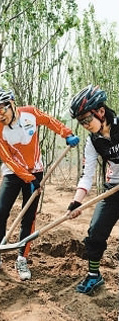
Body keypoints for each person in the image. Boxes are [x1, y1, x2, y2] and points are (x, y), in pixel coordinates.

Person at [0, 87, 79, 280]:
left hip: (36, 171)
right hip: (14, 174)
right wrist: (28, 178)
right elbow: (8, 160)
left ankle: (22, 259)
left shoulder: (30, 113)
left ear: (11, 104)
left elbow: (50, 121)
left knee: (29, 217)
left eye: (2, 110)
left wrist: (66, 133)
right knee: (1, 212)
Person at [67, 84, 119, 295]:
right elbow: (86, 176)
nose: (85, 125)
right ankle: (94, 276)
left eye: (87, 119)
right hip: (113, 188)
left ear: (100, 111)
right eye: (81, 122)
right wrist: (76, 202)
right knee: (95, 233)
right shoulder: (93, 142)